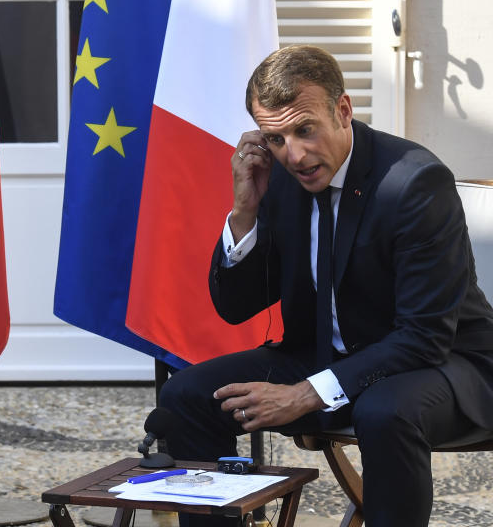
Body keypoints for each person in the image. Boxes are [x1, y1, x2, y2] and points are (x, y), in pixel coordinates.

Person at [158, 45, 493, 527]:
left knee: (383, 409)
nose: (293, 155)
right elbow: (235, 306)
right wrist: (245, 211)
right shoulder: (281, 179)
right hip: (324, 356)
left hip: (446, 367)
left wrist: (304, 394)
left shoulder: (415, 184)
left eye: (304, 130)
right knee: (187, 396)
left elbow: (424, 338)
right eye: (274, 138)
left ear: (342, 111)